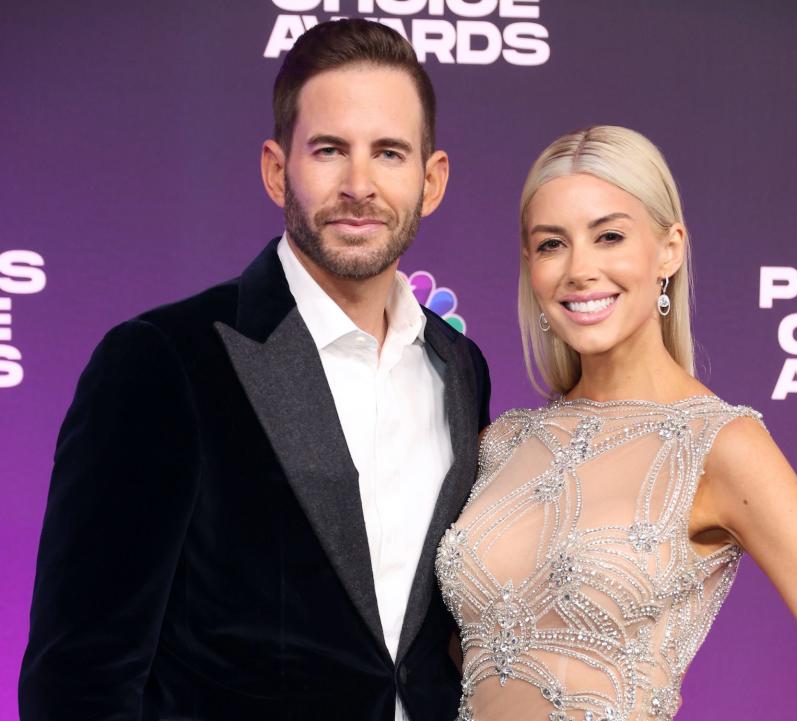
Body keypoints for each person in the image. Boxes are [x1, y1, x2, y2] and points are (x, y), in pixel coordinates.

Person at [20, 19, 490, 721]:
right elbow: (79, 674)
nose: (359, 185)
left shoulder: (459, 369)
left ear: (432, 179)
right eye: (329, 150)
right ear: (277, 170)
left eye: (388, 153)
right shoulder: (164, 360)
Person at [435, 126, 797, 721]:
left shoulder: (719, 445)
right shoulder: (502, 443)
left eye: (610, 236)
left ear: (668, 249)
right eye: (551, 245)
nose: (579, 269)